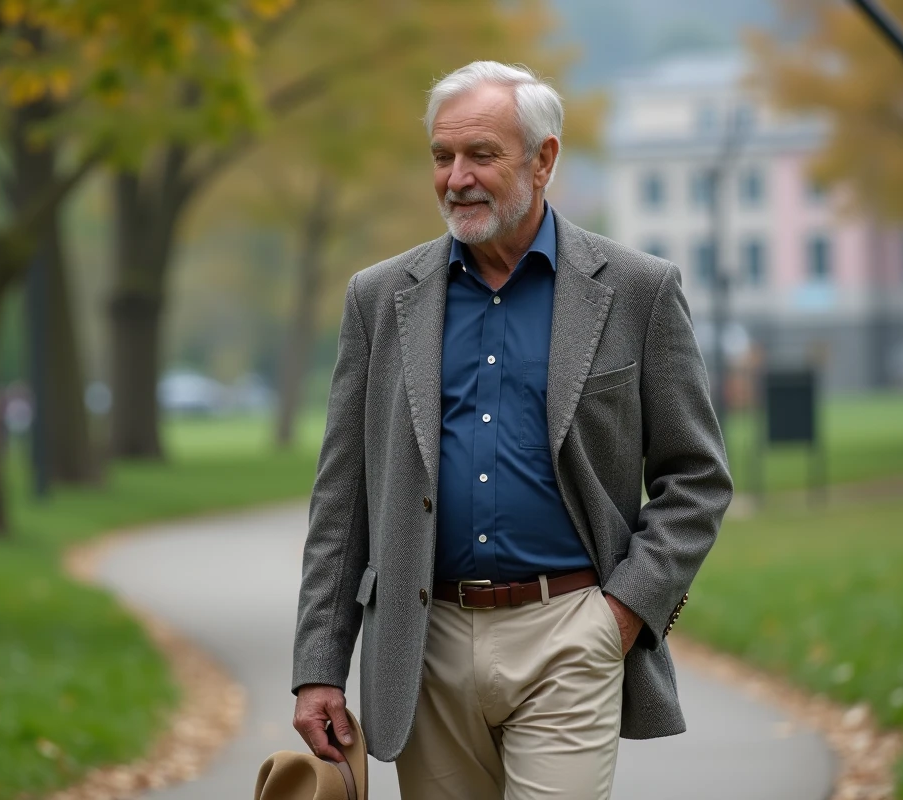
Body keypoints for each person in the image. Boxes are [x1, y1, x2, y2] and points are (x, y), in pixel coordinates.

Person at [290, 60, 733, 800]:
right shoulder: (377, 298)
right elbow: (342, 500)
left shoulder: (637, 291)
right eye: (441, 156)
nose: (456, 177)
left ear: (544, 159)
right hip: (420, 647)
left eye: (480, 155)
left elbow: (697, 478)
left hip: (570, 633)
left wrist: (622, 614)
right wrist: (317, 668)